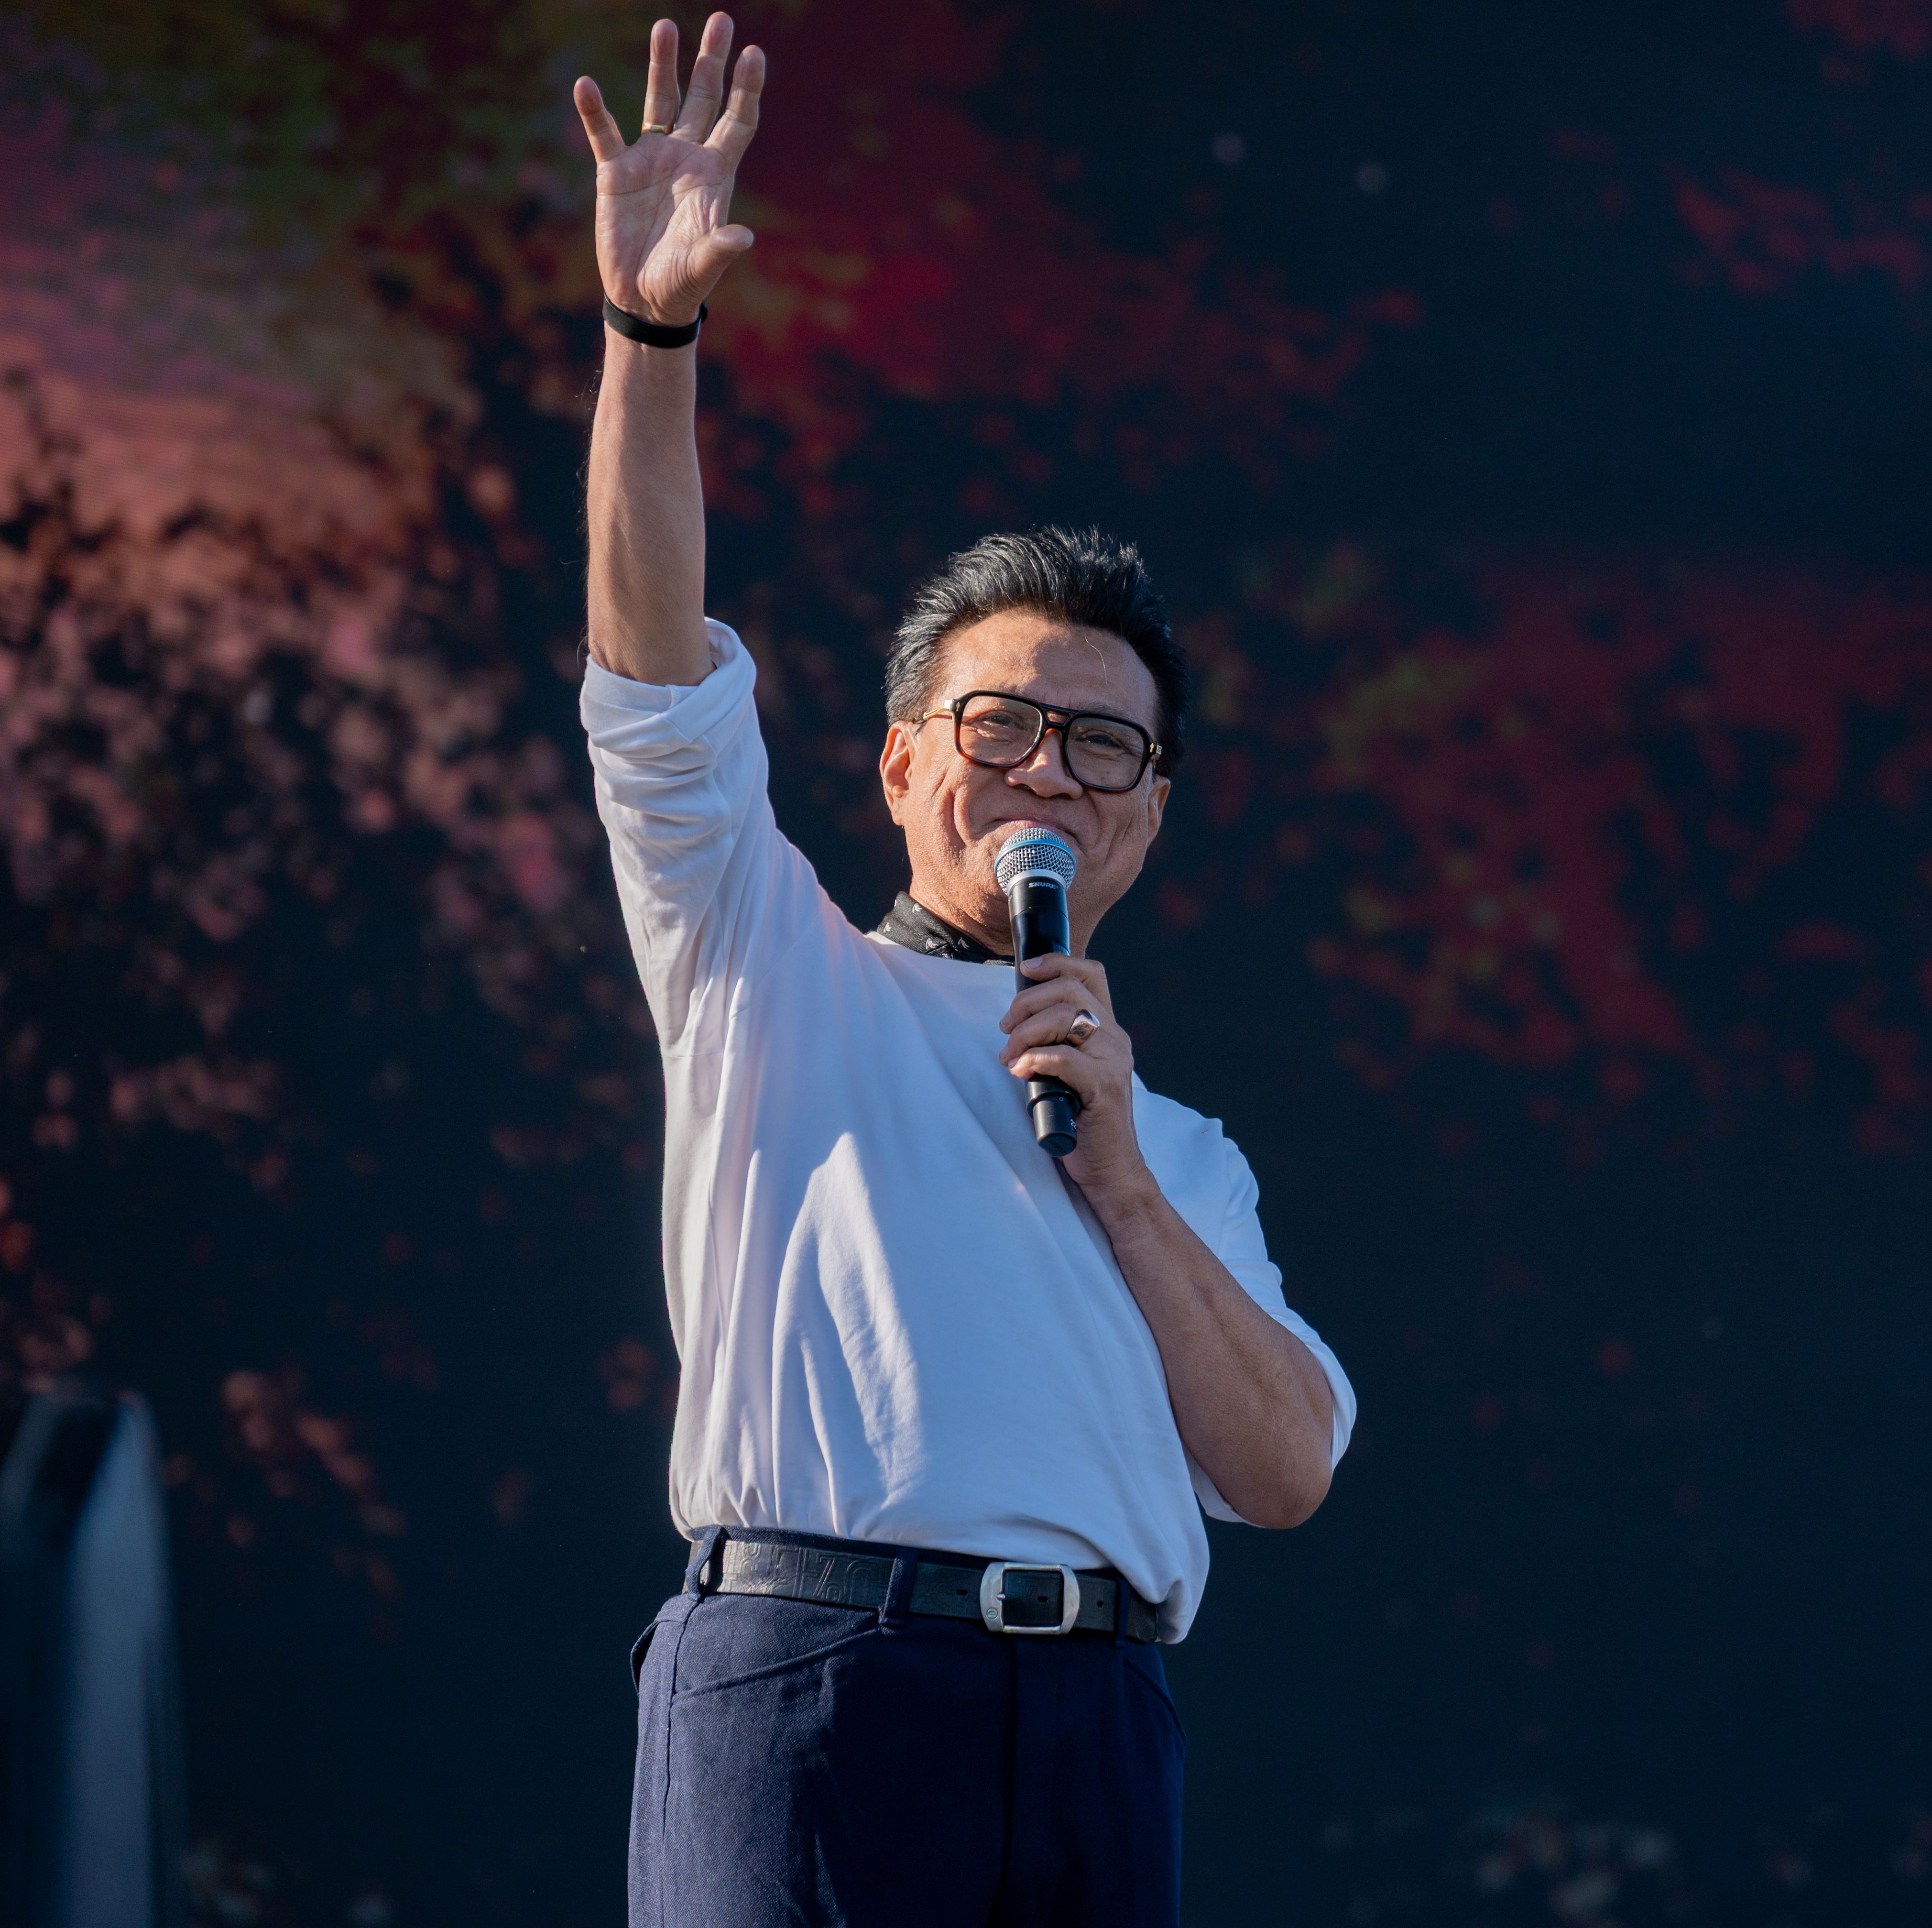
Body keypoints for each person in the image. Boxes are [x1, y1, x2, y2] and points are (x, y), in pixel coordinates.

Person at [568, 18, 1355, 1925]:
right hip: (815, 1688)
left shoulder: (1179, 1148)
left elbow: (1284, 1469)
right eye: (1006, 726)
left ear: (1150, 811)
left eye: (1107, 747)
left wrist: (1124, 1184)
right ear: (902, 759)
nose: (1052, 777)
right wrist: (652, 342)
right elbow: (652, 666)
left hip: (1094, 1719)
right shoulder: (769, 967)